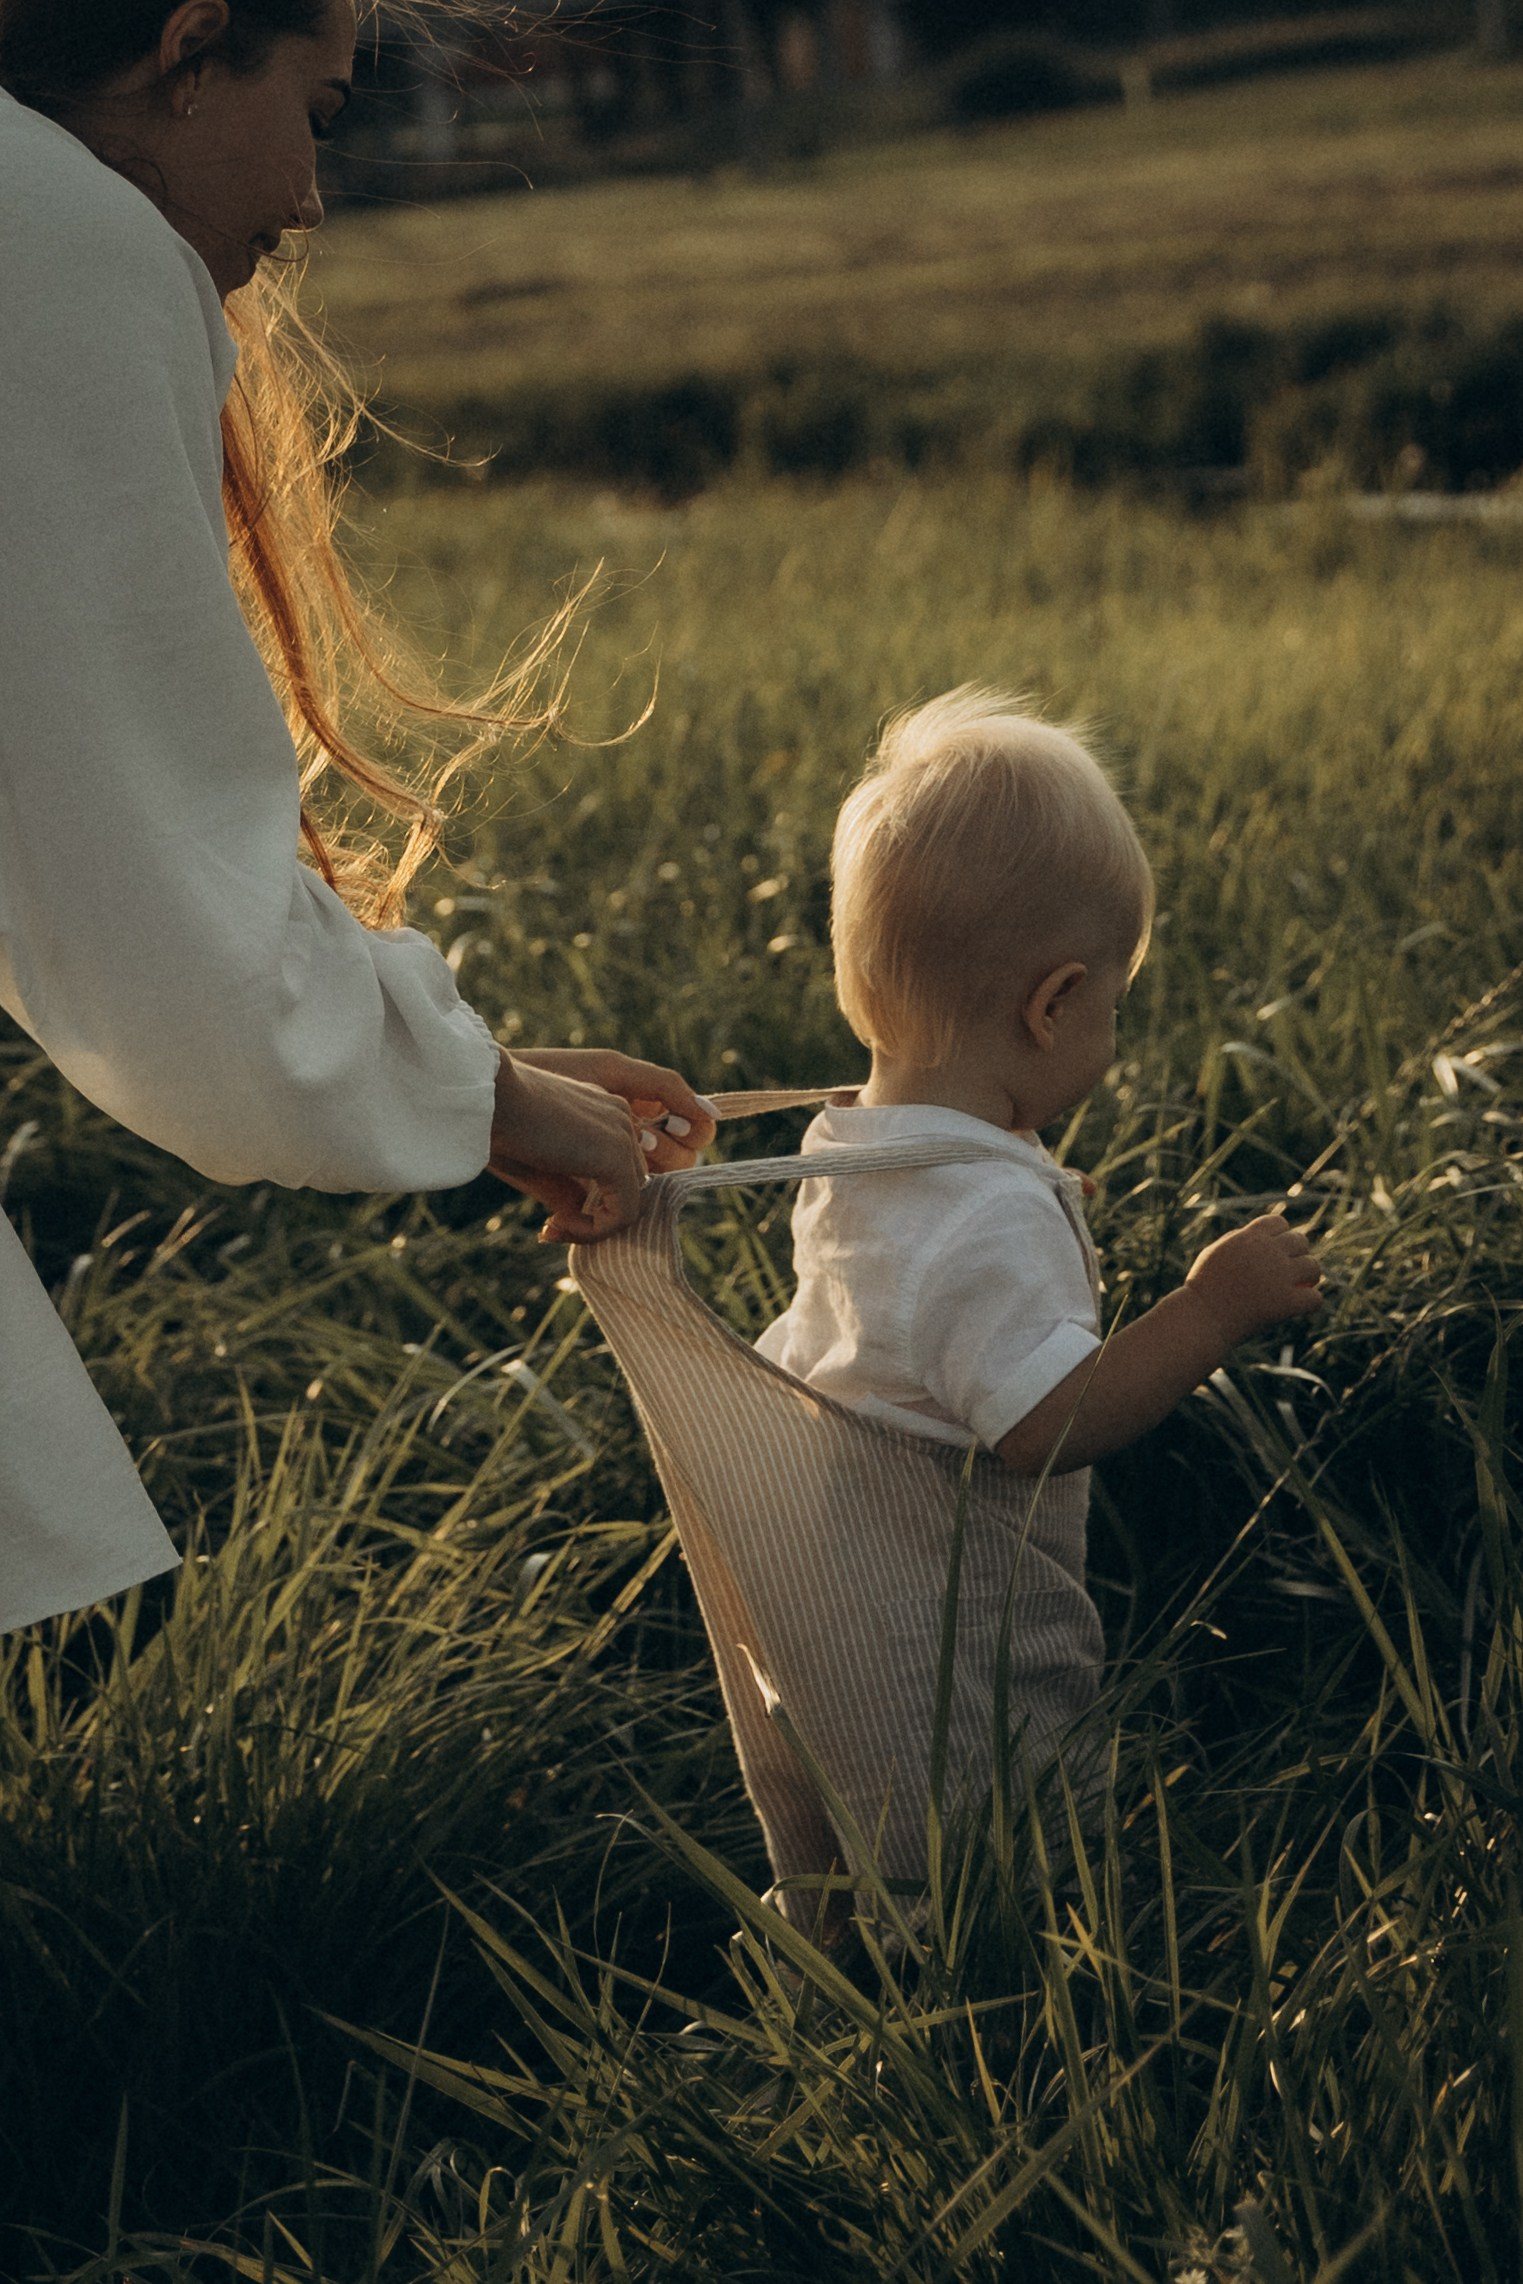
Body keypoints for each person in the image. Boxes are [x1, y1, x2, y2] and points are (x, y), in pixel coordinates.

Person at [0, 0, 716, 1634]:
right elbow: (181, 950)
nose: (315, 194)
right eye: (316, 108)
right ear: (190, 44)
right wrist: (498, 1103)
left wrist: (483, 1083)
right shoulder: (50, 243)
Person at [755, 687, 1322, 1848]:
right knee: (1006, 1887)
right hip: (952, 1661)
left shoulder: (855, 1152)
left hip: (826, 1625)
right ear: (1056, 1002)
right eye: (1112, 1001)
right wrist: (1208, 1311)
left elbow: (923, 1304)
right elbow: (1044, 1425)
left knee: (864, 1875)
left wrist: (1026, 1201)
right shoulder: (982, 1222)